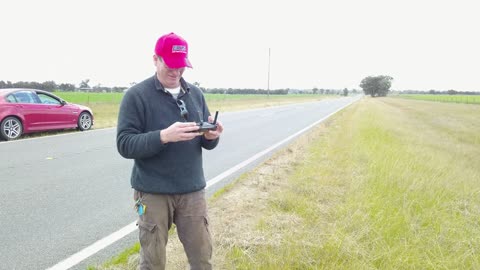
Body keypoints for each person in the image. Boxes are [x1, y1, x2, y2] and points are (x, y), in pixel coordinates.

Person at [116, 32, 223, 270]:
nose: (176, 72)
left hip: (192, 192)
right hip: (152, 193)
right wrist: (163, 136)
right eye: (171, 66)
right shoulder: (136, 96)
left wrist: (210, 136)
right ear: (156, 59)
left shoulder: (195, 94)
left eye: (182, 67)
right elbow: (124, 144)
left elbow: (205, 143)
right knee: (152, 261)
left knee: (202, 258)